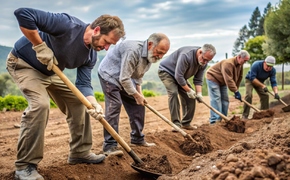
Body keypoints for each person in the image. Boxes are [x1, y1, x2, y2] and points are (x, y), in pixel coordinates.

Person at [6, 7, 125, 180]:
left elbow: (83, 84)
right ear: (97, 30)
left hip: (51, 71)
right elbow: (23, 14)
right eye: (107, 42)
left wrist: (94, 103)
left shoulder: (90, 55)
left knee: (81, 103)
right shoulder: (68, 25)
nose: (106, 48)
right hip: (24, 64)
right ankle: (25, 167)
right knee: (40, 105)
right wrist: (40, 47)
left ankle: (80, 152)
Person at [97, 33, 170, 157]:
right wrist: (136, 94)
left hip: (125, 77)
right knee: (114, 105)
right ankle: (109, 146)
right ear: (151, 44)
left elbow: (137, 77)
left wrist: (139, 94)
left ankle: (137, 139)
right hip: (109, 75)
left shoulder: (151, 55)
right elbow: (124, 79)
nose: (160, 56)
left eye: (163, 54)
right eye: (159, 52)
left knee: (138, 104)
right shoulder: (133, 50)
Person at [158, 44, 216, 132]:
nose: (205, 62)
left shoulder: (203, 63)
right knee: (173, 93)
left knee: (192, 97)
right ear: (200, 52)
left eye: (207, 61)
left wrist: (199, 93)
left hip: (181, 77)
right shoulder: (186, 55)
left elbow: (198, 79)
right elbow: (178, 76)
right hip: (167, 72)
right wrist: (188, 90)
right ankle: (176, 124)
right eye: (204, 59)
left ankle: (186, 123)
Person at [206, 50, 250, 124]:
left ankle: (223, 119)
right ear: (239, 57)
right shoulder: (228, 64)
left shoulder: (240, 65)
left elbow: (239, 77)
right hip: (213, 78)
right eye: (244, 60)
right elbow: (229, 79)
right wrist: (235, 91)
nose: (245, 62)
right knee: (216, 98)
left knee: (225, 99)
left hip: (223, 81)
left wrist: (237, 89)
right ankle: (214, 121)